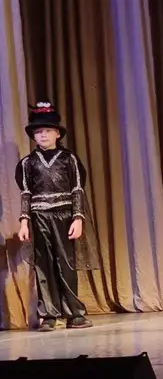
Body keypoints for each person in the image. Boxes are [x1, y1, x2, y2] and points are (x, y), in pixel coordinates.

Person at [16, 102, 98, 331]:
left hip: (64, 216)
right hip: (39, 216)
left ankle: (74, 313)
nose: (43, 135)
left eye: (47, 130)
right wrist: (24, 221)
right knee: (43, 264)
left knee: (66, 263)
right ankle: (49, 314)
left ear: (58, 134)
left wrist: (78, 218)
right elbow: (26, 193)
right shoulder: (27, 163)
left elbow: (77, 189)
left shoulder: (69, 159)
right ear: (33, 136)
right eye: (38, 131)